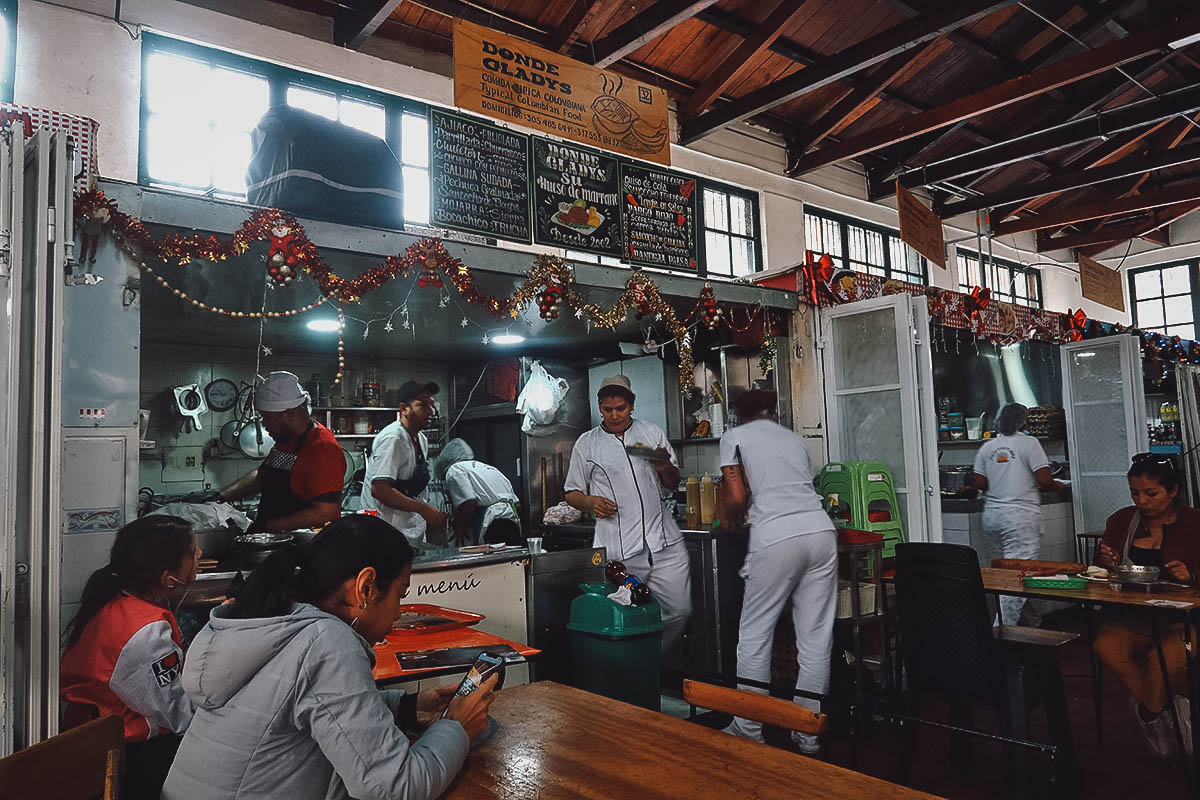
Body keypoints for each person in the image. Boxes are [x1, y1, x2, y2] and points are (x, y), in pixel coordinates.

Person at [162, 514, 497, 800]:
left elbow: (313, 711)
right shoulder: (327, 644)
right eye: (399, 594)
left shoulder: (277, 625)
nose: (398, 612)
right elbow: (394, 787)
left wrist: (407, 707)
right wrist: (456, 727)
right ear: (366, 588)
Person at [717, 388, 836, 755]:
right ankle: (808, 734)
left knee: (755, 633)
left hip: (777, 537)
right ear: (771, 412)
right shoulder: (794, 440)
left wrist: (729, 517)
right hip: (820, 533)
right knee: (815, 639)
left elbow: (736, 497)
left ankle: (748, 728)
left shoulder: (733, 436)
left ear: (739, 413)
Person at [60, 515, 200, 800]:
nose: (200, 555)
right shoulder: (143, 634)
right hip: (125, 755)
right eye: (192, 552)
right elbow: (175, 714)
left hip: (91, 740)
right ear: (167, 578)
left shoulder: (118, 601)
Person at [563, 374, 691, 652]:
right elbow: (571, 493)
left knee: (678, 610)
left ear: (631, 406)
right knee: (622, 617)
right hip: (617, 550)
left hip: (660, 542)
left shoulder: (650, 433)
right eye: (608, 409)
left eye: (620, 408)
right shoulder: (587, 443)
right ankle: (630, 669)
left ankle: (650, 660)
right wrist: (591, 502)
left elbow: (672, 482)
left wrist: (665, 467)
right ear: (600, 408)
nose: (614, 415)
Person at [1093, 454, 1200, 759]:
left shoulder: (1195, 523)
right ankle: (1167, 711)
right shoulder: (1121, 520)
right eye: (1135, 493)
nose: (1142, 501)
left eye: (1151, 494)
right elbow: (1100, 570)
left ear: (1174, 490)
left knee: (1165, 659)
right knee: (1106, 648)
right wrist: (1106, 561)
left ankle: (1150, 714)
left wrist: (1192, 574)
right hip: (1134, 617)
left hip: (1185, 620)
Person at [971, 402, 1067, 626]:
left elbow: (980, 482)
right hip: (1019, 518)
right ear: (1023, 421)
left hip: (992, 517)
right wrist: (1057, 486)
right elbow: (1044, 479)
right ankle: (1002, 631)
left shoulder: (988, 447)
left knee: (1005, 573)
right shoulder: (1029, 443)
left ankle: (1032, 623)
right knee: (1019, 575)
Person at [220, 371, 344, 534]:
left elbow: (324, 511)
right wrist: (221, 497)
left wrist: (267, 527)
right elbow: (261, 476)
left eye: (268, 418)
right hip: (276, 540)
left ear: (290, 414)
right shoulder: (286, 440)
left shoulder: (322, 448)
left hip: (303, 545)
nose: (264, 424)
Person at [360, 379, 446, 546]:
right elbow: (380, 490)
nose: (430, 411)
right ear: (404, 408)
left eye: (431, 405)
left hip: (409, 531)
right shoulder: (393, 438)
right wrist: (423, 509)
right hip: (386, 531)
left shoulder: (421, 439)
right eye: (422, 405)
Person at [433, 438, 522, 546]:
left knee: (496, 561)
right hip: (513, 522)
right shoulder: (488, 468)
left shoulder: (454, 470)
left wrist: (461, 528)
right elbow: (517, 504)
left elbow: (469, 502)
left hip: (493, 525)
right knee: (512, 560)